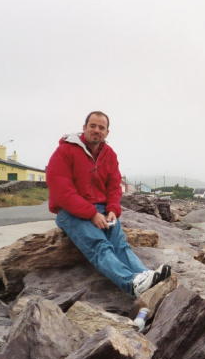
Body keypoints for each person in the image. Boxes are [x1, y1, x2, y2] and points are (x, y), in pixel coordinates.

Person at [46, 111, 170, 297]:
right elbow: (62, 191)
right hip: (70, 212)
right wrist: (91, 214)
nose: (96, 130)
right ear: (84, 128)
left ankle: (144, 275)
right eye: (93, 126)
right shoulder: (65, 151)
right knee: (100, 245)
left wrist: (113, 209)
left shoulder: (109, 154)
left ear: (107, 132)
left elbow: (114, 186)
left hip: (103, 210)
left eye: (101, 128)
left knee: (120, 244)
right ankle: (131, 284)